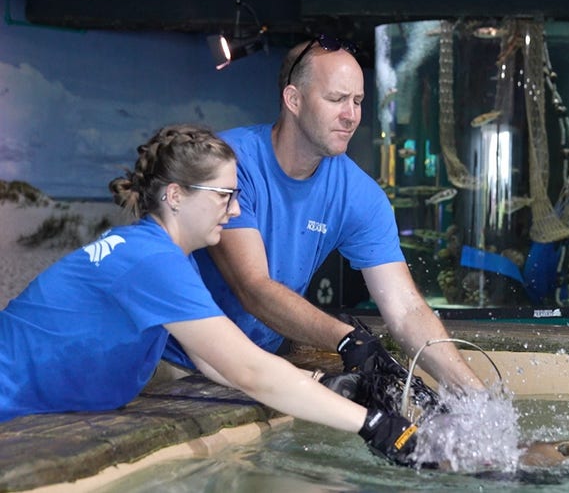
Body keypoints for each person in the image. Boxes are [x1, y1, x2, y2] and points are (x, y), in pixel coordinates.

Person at [0, 125, 418, 466]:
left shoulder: (159, 253)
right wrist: (375, 424)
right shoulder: (153, 260)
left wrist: (321, 383)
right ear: (176, 196)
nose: (236, 210)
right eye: (225, 195)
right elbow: (248, 371)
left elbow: (212, 360)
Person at [162, 36, 484, 394]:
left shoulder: (360, 195)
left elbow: (406, 312)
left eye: (358, 101)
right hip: (174, 361)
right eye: (336, 99)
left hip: (257, 366)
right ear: (293, 100)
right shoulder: (229, 165)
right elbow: (252, 289)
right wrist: (347, 339)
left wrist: (476, 398)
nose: (351, 116)